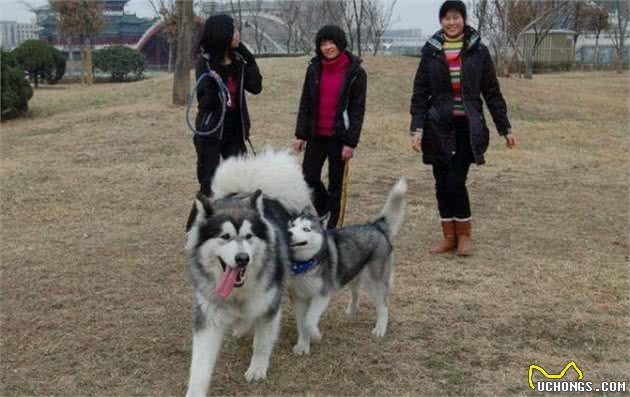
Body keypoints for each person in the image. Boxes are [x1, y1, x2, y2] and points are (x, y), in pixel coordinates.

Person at [409, 0, 516, 256]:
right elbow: (420, 93)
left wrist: (505, 128)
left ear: (464, 19)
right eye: (447, 18)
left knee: (456, 181)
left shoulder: (478, 51)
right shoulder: (431, 51)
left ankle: (464, 235)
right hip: (437, 127)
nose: (451, 22)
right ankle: (448, 236)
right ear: (441, 21)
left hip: (467, 127)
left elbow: (492, 92)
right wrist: (416, 128)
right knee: (441, 182)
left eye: (456, 17)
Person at [293, 25, 367, 229]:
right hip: (316, 134)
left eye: (331, 43)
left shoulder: (356, 72)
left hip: (339, 137)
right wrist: (301, 134)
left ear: (340, 43)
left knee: (336, 185)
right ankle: (326, 214)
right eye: (323, 44)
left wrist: (351, 142)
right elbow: (306, 101)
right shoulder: (314, 67)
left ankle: (334, 228)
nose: (327, 47)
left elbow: (357, 110)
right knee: (308, 178)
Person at [193, 14, 262, 197]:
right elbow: (206, 102)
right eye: (234, 31)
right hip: (211, 131)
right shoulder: (205, 63)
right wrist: (215, 82)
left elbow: (256, 87)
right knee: (209, 185)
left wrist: (248, 57)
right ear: (222, 34)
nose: (237, 35)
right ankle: (200, 223)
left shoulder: (239, 61)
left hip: (235, 130)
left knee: (240, 183)